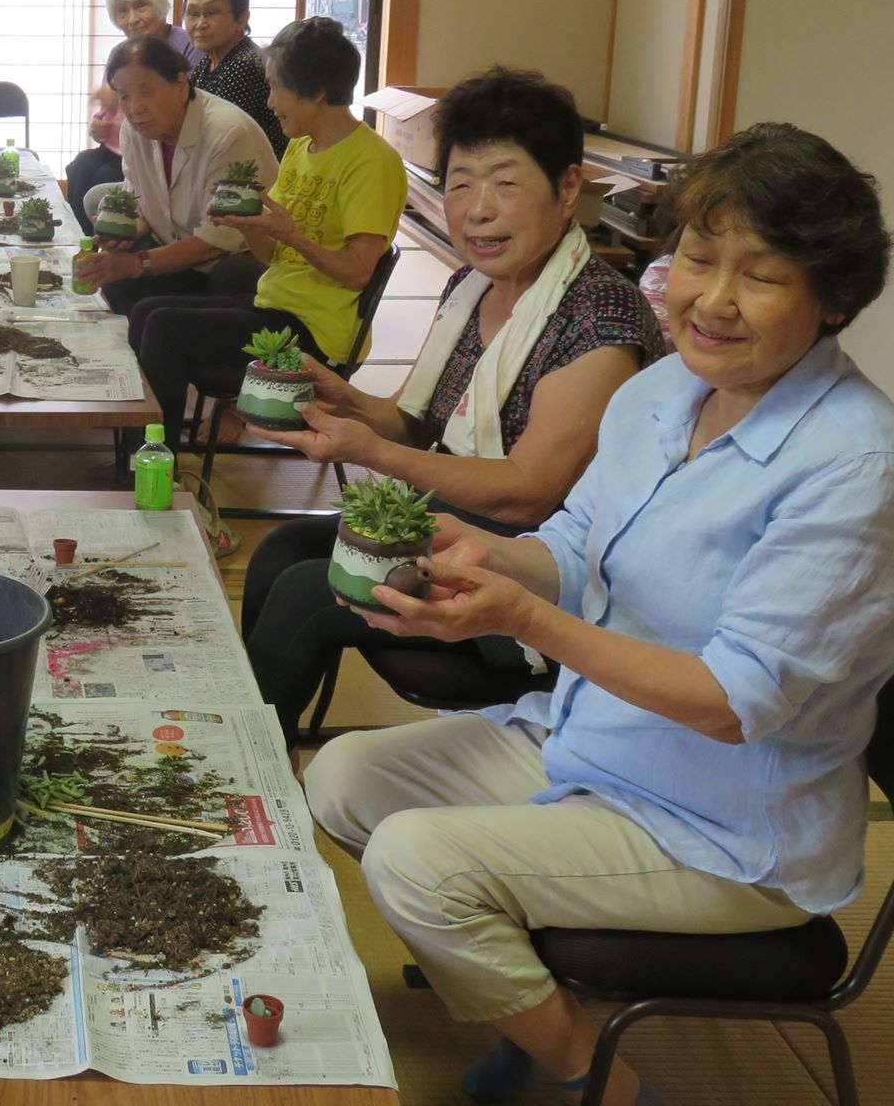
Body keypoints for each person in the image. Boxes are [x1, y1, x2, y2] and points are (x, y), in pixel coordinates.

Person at [305, 123, 894, 1106]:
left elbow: (730, 703)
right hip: (588, 743)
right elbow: (575, 548)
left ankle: (593, 1078)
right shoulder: (665, 391)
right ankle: (527, 1002)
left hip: (721, 824)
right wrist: (477, 554)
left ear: (829, 300)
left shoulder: (852, 465)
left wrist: (523, 622)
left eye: (758, 276)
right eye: (699, 257)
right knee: (342, 775)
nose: (709, 299)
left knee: (417, 862)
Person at [242, 70, 669, 742]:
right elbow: (416, 423)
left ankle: (248, 766)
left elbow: (527, 496)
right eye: (461, 183)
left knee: (305, 592)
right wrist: (343, 399)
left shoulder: (601, 317)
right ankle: (259, 743)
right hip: (449, 528)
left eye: (505, 182)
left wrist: (369, 450)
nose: (477, 209)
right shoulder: (472, 285)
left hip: (533, 571)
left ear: (567, 188)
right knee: (282, 551)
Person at [130, 16, 405, 440]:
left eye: (277, 88)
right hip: (273, 306)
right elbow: (271, 256)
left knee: (165, 327)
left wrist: (291, 233)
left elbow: (357, 271)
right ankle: (146, 443)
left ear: (316, 93)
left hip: (314, 334)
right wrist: (246, 223)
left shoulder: (372, 162)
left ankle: (152, 458)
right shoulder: (299, 147)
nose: (270, 102)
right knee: (148, 310)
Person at [71, 37, 271, 316]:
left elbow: (219, 240)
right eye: (124, 95)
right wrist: (121, 233)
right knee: (115, 282)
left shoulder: (227, 133)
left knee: (230, 275)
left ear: (180, 85)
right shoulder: (134, 131)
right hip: (173, 250)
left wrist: (135, 263)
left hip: (228, 261)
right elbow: (142, 208)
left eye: (145, 92)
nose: (134, 108)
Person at [66, 0, 203, 234]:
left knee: (104, 176)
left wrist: (118, 101)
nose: (133, 19)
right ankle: (83, 246)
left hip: (164, 148)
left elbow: (190, 99)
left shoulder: (186, 45)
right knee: (81, 165)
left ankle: (110, 247)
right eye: (122, 11)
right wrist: (99, 128)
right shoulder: (120, 52)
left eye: (141, 7)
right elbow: (110, 113)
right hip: (126, 145)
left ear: (159, 4)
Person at [183, 0, 286, 162]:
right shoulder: (208, 61)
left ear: (241, 19)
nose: (200, 24)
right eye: (193, 13)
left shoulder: (245, 65)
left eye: (211, 13)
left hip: (251, 177)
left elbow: (216, 136)